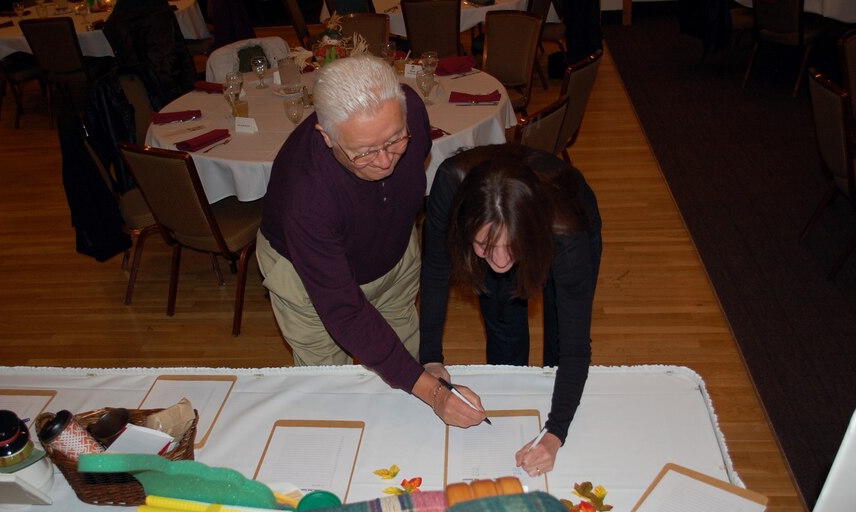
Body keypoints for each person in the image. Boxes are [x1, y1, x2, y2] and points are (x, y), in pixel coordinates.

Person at [256, 55, 487, 428]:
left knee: (405, 369)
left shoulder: (409, 107)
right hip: (308, 282)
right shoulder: (306, 198)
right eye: (363, 152)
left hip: (393, 256)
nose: (384, 162)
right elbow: (345, 312)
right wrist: (435, 393)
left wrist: (424, 383)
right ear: (326, 135)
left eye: (395, 140)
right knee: (331, 394)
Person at [419, 144, 602, 477]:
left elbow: (575, 347)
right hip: (509, 224)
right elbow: (434, 272)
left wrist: (555, 434)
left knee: (561, 340)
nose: (501, 261)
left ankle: (552, 407)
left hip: (567, 214)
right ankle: (513, 407)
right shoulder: (448, 188)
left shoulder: (566, 230)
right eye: (485, 247)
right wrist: (431, 358)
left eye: (511, 248)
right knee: (502, 318)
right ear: (465, 228)